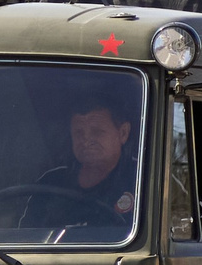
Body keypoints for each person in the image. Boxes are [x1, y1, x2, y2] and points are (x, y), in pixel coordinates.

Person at [24, 98, 140, 229]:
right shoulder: (50, 184)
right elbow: (24, 240)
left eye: (97, 132)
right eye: (79, 133)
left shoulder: (141, 180)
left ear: (123, 133)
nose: (86, 141)